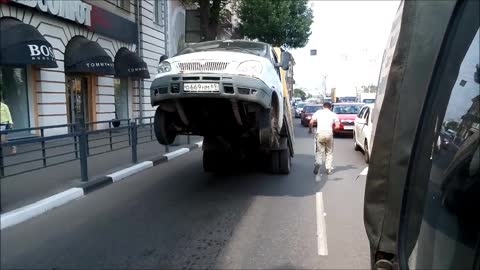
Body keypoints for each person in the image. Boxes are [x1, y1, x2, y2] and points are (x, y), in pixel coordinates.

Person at [308, 102, 340, 175]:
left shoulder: (318, 112)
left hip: (320, 134)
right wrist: (332, 131)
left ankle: (318, 163)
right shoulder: (333, 114)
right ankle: (328, 168)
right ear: (330, 107)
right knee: (329, 152)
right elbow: (337, 126)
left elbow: (311, 122)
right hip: (329, 134)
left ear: (323, 107)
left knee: (319, 151)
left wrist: (310, 130)